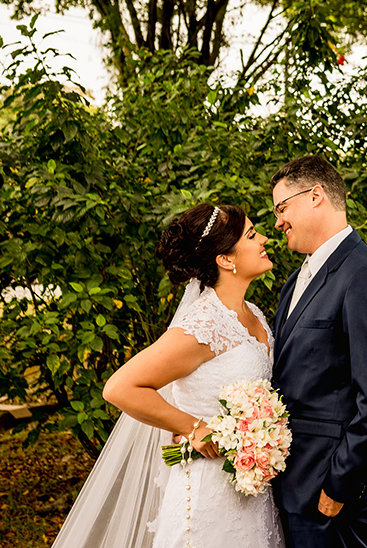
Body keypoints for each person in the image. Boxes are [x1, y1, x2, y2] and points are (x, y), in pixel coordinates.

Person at [50, 203, 284, 548]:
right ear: (225, 259)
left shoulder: (253, 313)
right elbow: (119, 388)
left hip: (251, 486)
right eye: (251, 235)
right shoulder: (204, 325)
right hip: (209, 493)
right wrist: (193, 427)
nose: (263, 238)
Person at [269, 155, 367, 548]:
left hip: (331, 494)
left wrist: (340, 484)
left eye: (282, 208)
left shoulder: (366, 276)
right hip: (293, 483)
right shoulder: (295, 281)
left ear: (316, 196)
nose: (278, 222)